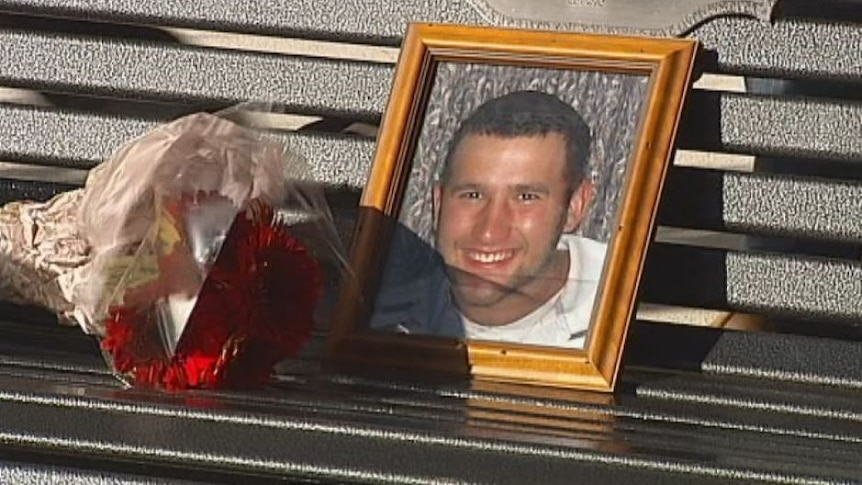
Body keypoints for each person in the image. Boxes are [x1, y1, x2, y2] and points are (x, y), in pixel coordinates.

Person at [371, 90, 607, 349]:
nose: (489, 231)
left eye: (526, 197)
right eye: (472, 195)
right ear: (438, 204)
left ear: (575, 207)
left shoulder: (617, 303)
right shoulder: (382, 315)